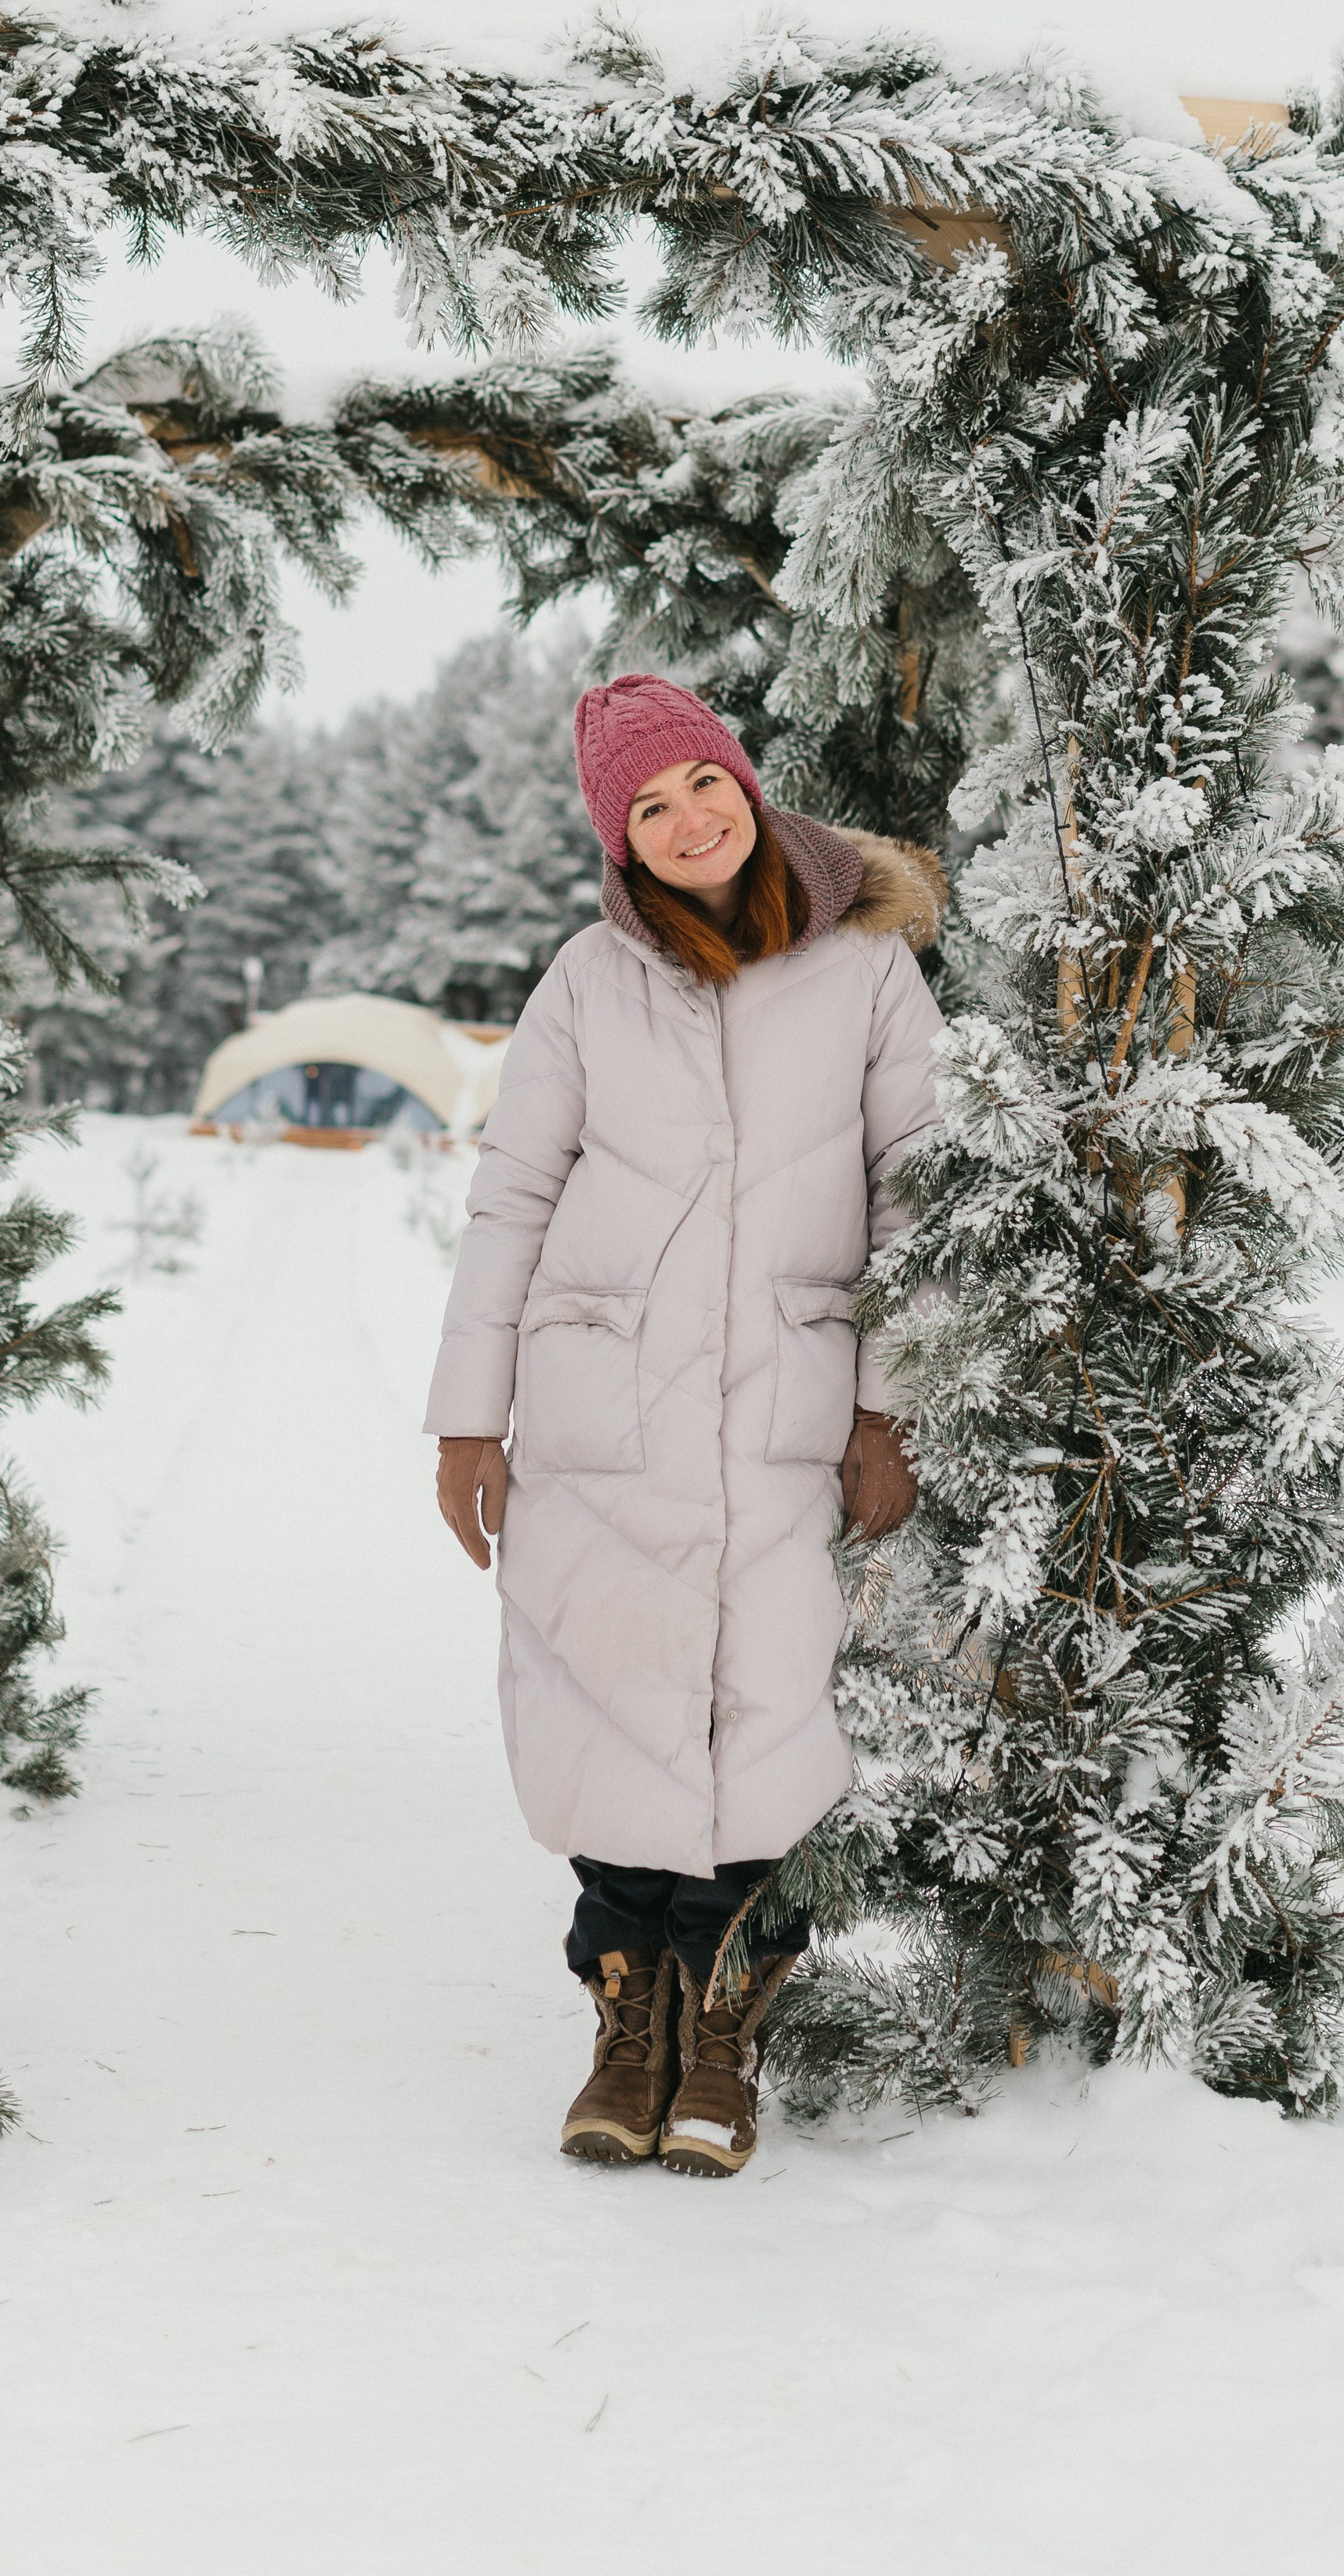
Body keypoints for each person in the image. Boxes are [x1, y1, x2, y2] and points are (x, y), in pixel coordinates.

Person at [425, 673, 945, 2179]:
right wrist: (469, 1422)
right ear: (619, 841)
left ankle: (727, 2022)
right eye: (647, 808)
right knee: (610, 1693)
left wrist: (889, 1399)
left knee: (775, 1707)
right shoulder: (587, 981)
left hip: (789, 1406)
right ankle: (629, 2010)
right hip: (601, 1412)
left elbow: (918, 1187)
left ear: (746, 781)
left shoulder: (864, 969)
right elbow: (515, 1192)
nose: (685, 820)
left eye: (700, 784)